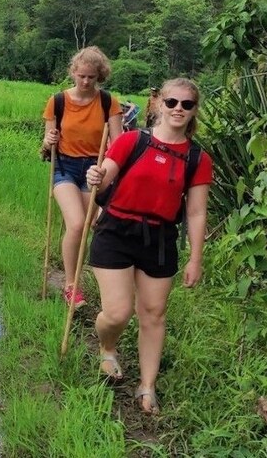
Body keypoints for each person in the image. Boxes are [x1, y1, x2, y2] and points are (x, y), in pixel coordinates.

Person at [84, 77, 213, 414]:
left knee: (153, 314)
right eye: (172, 102)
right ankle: (107, 348)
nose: (179, 109)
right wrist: (94, 177)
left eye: (187, 104)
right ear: (158, 104)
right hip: (115, 230)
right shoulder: (131, 141)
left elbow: (197, 212)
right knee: (117, 312)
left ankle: (147, 385)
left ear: (194, 110)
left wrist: (195, 258)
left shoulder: (198, 158)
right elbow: (106, 175)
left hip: (159, 238)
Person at [41, 46, 123, 308]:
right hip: (64, 168)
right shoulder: (58, 101)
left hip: (95, 169)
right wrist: (48, 140)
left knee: (95, 225)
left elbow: (120, 145)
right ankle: (70, 286)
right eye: (82, 76)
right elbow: (46, 144)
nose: (86, 82)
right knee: (76, 224)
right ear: (73, 73)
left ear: (100, 76)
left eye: (92, 77)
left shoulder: (109, 102)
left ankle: (103, 280)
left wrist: (107, 168)